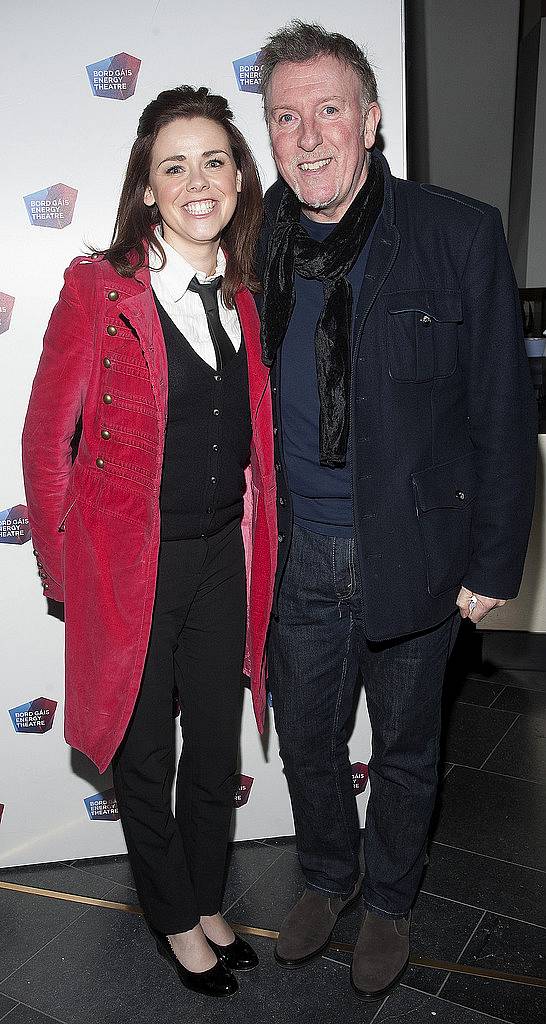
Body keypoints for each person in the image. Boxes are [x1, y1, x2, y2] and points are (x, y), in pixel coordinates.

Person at [256, 21, 537, 999]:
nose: (309, 133)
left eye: (329, 108)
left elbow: (502, 413)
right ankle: (329, 878)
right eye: (286, 116)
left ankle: (388, 901)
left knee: (409, 747)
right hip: (301, 553)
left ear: (371, 121)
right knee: (307, 742)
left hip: (415, 550)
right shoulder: (261, 240)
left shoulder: (456, 234)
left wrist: (495, 564)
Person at [22, 85, 277, 999]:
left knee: (215, 748)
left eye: (214, 160)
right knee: (144, 757)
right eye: (174, 165)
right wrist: (64, 574)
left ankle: (208, 896)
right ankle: (175, 918)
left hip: (219, 557)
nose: (196, 180)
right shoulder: (99, 289)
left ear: (241, 179)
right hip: (130, 564)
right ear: (146, 189)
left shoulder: (247, 297)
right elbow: (47, 438)